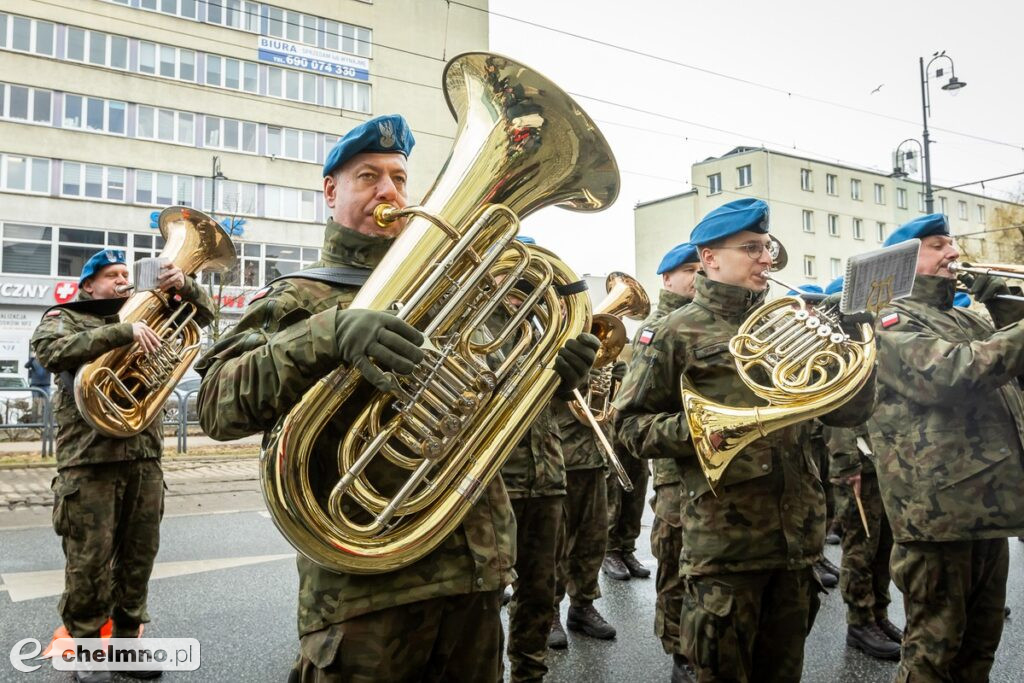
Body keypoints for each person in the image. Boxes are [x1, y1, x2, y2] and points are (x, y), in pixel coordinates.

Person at [195, 115, 599, 682]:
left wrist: (550, 385)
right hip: (364, 595)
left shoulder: (459, 288)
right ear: (332, 191)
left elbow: (479, 410)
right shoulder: (298, 297)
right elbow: (215, 404)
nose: (390, 191)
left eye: (400, 178)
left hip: (475, 577)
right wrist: (327, 334)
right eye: (368, 176)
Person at [613, 198, 876, 681]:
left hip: (798, 539)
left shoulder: (787, 320)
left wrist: (859, 344)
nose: (766, 259)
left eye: (768, 247)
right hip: (724, 545)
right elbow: (628, 426)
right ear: (710, 258)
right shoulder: (673, 332)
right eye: (751, 248)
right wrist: (709, 427)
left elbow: (851, 412)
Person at [32, 248, 215, 683]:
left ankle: (127, 645)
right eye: (112, 276)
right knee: (88, 563)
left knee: (139, 557)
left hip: (144, 457)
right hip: (89, 461)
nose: (122, 282)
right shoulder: (65, 316)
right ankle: (87, 651)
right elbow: (52, 351)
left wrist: (182, 285)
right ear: (89, 285)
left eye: (124, 275)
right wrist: (121, 333)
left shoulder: (151, 313)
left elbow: (204, 316)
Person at [868, 213, 1024, 681]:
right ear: (903, 259)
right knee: (933, 653)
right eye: (938, 245)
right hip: (936, 512)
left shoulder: (963, 317)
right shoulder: (887, 317)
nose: (954, 253)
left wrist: (1008, 308)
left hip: (988, 504)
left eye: (951, 244)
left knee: (979, 648)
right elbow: (949, 376)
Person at [630, 241, 698, 682]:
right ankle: (679, 652)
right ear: (667, 278)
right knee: (675, 562)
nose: (698, 278)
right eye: (689, 270)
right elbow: (641, 414)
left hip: (712, 471)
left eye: (700, 268)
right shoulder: (656, 328)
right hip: (676, 472)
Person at [823, 424, 900, 661]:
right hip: (858, 466)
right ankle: (860, 621)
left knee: (884, 546)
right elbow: (838, 416)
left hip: (882, 461)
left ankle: (879, 614)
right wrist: (847, 462)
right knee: (861, 546)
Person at [550, 399, 617, 646]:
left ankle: (582, 606)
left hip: (595, 454)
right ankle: (549, 611)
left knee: (594, 537)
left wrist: (613, 376)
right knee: (554, 544)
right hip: (559, 455)